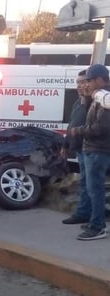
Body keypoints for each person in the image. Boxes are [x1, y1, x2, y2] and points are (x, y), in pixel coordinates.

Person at [70, 64, 110, 241]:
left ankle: (97, 227)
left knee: (95, 190)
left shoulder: (105, 98)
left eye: (90, 80)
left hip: (98, 150)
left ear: (100, 79)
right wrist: (87, 98)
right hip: (93, 150)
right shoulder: (97, 97)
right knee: (92, 188)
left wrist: (78, 131)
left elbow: (101, 128)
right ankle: (94, 220)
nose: (87, 84)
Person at [61, 70, 92, 226]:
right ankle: (85, 212)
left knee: (88, 183)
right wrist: (66, 145)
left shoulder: (92, 102)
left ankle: (84, 214)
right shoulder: (77, 102)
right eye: (78, 83)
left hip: (90, 149)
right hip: (79, 149)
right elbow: (71, 124)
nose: (80, 86)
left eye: (83, 82)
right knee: (85, 182)